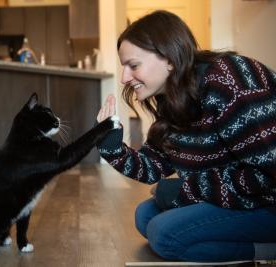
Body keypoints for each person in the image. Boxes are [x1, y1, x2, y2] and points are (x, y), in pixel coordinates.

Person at [96, 10, 276, 262]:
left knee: (164, 234)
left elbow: (268, 176)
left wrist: (187, 189)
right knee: (145, 216)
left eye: (133, 65)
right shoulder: (174, 98)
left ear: (169, 58)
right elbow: (153, 167)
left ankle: (267, 251)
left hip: (268, 201)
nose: (125, 78)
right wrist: (112, 147)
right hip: (237, 199)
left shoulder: (229, 81)